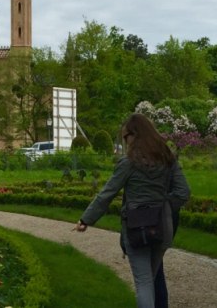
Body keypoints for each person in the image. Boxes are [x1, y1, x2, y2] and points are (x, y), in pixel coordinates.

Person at [73, 113, 190, 308]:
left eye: (125, 137)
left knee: (144, 283)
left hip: (138, 227)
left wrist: (86, 220)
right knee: (150, 280)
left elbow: (106, 194)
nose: (125, 142)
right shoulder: (168, 159)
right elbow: (183, 192)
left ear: (134, 135)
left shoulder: (128, 163)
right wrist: (164, 207)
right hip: (163, 227)